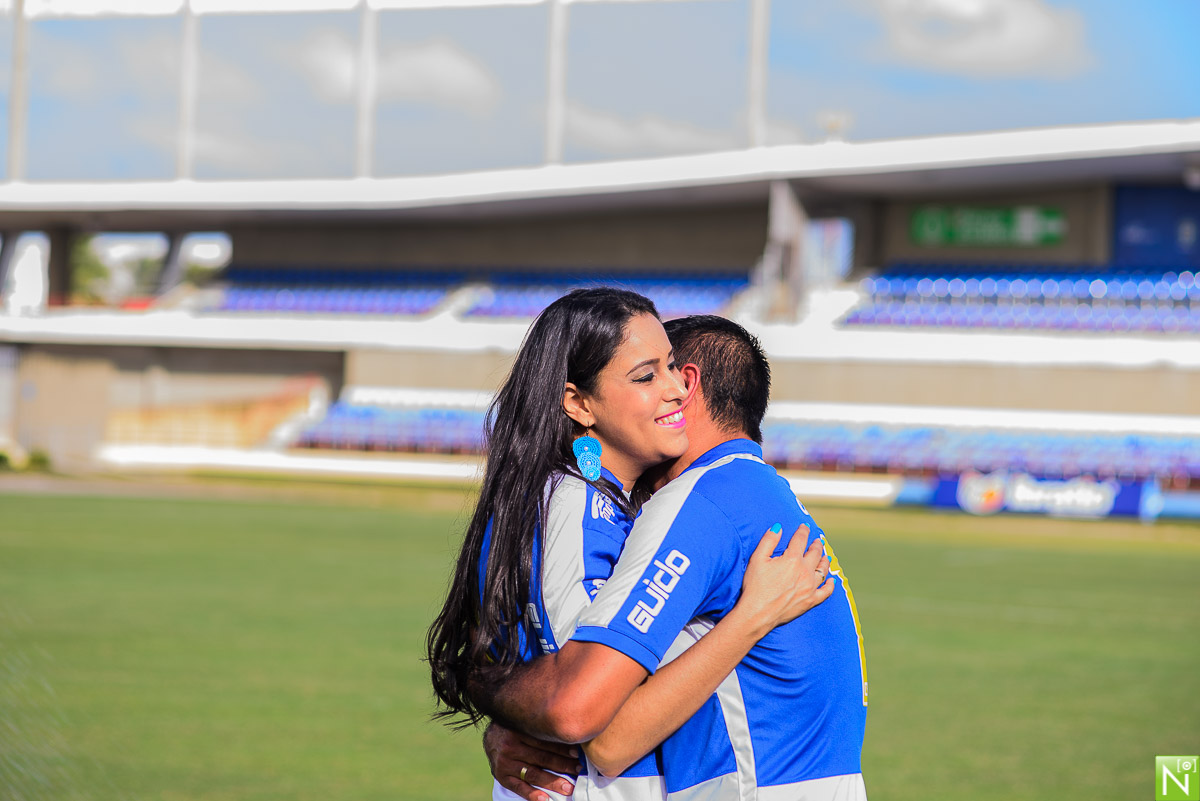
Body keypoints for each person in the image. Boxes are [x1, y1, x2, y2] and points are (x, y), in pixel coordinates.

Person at [427, 290, 834, 801]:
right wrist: (753, 615)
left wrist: (502, 705)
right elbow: (576, 706)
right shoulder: (572, 504)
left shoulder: (600, 502)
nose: (675, 390)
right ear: (577, 403)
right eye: (647, 376)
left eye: (671, 368)